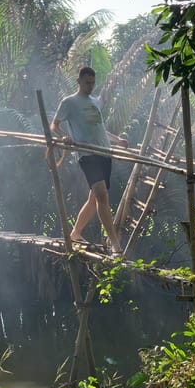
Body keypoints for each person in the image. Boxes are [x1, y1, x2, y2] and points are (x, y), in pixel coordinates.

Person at [50, 66, 128, 255]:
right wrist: (64, 137)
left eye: (92, 83)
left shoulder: (95, 102)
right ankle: (115, 245)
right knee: (102, 196)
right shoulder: (69, 102)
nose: (90, 86)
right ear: (79, 81)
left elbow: (99, 128)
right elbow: (54, 125)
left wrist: (118, 140)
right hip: (87, 155)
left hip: (104, 153)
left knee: (94, 199)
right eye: (87, 83)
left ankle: (75, 233)